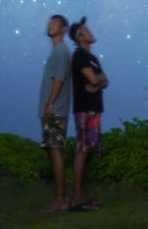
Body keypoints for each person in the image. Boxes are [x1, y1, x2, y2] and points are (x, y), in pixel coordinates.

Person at [69, 16, 108, 212]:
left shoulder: (92, 58)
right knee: (83, 149)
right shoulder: (80, 56)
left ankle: (83, 196)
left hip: (94, 109)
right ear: (80, 37)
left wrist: (98, 82)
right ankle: (76, 199)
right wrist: (98, 81)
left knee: (89, 152)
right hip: (85, 109)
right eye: (86, 30)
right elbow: (95, 80)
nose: (91, 31)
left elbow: (104, 81)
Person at [37, 14, 72, 212]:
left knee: (56, 150)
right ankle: (61, 198)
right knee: (53, 150)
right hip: (54, 109)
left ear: (63, 29)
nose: (50, 25)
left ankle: (61, 200)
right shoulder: (58, 52)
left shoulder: (60, 51)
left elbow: (58, 79)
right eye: (49, 22)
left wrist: (50, 104)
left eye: (55, 23)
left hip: (55, 110)